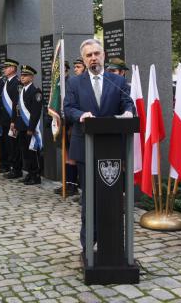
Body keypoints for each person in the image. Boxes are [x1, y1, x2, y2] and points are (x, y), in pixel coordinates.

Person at [64, 38, 133, 257]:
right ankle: (88, 245)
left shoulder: (117, 81)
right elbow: (68, 108)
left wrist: (129, 112)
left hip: (112, 150)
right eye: (89, 55)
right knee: (89, 199)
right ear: (84, 60)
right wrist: (81, 115)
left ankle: (112, 243)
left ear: (103, 55)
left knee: (112, 198)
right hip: (86, 147)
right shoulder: (74, 83)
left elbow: (127, 103)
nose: (93, 58)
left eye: (97, 53)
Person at [12, 65, 43, 185]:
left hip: (30, 128)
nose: (22, 77)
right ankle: (30, 173)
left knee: (32, 152)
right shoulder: (22, 90)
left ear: (31, 77)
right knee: (25, 152)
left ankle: (36, 176)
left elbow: (35, 113)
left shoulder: (36, 92)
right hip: (21, 127)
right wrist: (15, 124)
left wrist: (31, 128)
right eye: (22, 75)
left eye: (25, 75)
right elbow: (17, 109)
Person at [54, 61, 79, 197]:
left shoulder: (69, 82)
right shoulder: (57, 84)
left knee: (71, 157)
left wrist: (68, 123)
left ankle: (72, 185)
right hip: (61, 124)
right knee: (66, 156)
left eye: (62, 68)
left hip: (70, 125)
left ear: (67, 70)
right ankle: (66, 183)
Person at [0, 58, 23, 178]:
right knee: (8, 145)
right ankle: (9, 166)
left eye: (6, 68)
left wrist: (13, 121)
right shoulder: (7, 81)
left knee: (14, 146)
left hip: (11, 120)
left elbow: (16, 104)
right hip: (4, 119)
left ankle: (16, 170)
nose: (4, 70)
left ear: (12, 69)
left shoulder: (16, 83)